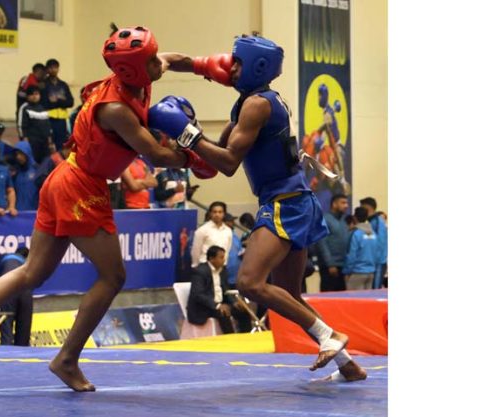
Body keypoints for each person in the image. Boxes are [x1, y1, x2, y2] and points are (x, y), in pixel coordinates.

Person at [0, 26, 217, 392]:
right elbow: (156, 154)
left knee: (33, 273)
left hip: (65, 177)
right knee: (113, 276)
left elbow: (174, 59)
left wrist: (215, 69)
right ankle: (67, 358)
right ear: (131, 70)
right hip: (81, 187)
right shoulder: (116, 108)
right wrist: (201, 150)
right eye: (149, 60)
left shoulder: (139, 71)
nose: (157, 62)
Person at [147, 34, 365, 380]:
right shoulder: (252, 101)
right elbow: (213, 157)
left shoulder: (257, 105)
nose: (229, 68)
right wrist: (166, 62)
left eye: (237, 63)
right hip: (296, 200)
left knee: (250, 283)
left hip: (283, 203)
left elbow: (230, 162)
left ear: (256, 67)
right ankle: (347, 365)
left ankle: (331, 337)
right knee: (290, 295)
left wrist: (186, 132)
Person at [187, 246, 252, 333]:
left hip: (220, 304)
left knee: (243, 311)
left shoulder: (223, 271)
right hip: (205, 307)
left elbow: (226, 290)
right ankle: (230, 339)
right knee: (224, 312)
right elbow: (198, 294)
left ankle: (246, 337)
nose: (224, 260)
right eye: (221, 257)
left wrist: (234, 302)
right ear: (211, 258)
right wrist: (217, 305)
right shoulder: (200, 272)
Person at [0, 247, 32, 346]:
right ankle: (24, 356)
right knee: (24, 331)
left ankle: (6, 355)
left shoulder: (3, 258)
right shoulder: (28, 264)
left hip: (8, 289)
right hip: (26, 291)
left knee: (6, 328)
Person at [314, 194, 350, 292]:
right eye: (343, 203)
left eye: (347, 203)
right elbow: (322, 243)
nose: (346, 206)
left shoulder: (343, 220)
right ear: (334, 204)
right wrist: (330, 264)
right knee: (328, 295)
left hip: (342, 266)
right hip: (329, 267)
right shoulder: (325, 219)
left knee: (341, 298)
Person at [343, 207, 380, 290]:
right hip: (371, 272)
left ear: (354, 218)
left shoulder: (356, 234)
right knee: (366, 301)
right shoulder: (373, 233)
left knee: (354, 300)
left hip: (357, 272)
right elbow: (377, 253)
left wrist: (347, 271)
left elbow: (351, 254)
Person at [42, 58, 74, 150]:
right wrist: (62, 101)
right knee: (49, 145)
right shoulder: (43, 85)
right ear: (47, 69)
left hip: (62, 119)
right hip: (49, 118)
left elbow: (70, 102)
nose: (53, 70)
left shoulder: (63, 85)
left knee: (62, 144)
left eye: (55, 67)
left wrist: (56, 101)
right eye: (51, 68)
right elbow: (45, 104)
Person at [18, 85, 54, 164]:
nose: (35, 96)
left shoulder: (42, 108)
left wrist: (50, 141)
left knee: (45, 164)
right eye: (32, 94)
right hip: (32, 142)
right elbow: (21, 126)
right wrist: (24, 140)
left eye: (37, 94)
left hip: (44, 143)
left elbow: (47, 125)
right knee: (33, 163)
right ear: (28, 96)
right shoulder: (24, 108)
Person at [190, 202, 233, 268]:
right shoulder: (202, 230)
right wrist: (196, 267)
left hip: (222, 267)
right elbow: (196, 251)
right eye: (214, 212)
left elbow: (227, 250)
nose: (217, 214)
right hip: (205, 266)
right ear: (210, 213)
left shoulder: (228, 231)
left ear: (224, 214)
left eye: (220, 212)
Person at [359, 197, 387, 289]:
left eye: (362, 208)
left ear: (368, 208)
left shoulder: (378, 222)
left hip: (378, 262)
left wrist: (374, 259)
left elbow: (380, 243)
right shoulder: (370, 222)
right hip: (370, 263)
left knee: (375, 289)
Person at [11, 141, 41, 211]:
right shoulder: (15, 172)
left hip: (34, 213)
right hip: (18, 214)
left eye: (21, 154)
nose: (18, 157)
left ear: (28, 153)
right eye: (16, 154)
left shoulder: (38, 170)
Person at [224, 213, 243, 289]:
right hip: (228, 273)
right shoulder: (223, 235)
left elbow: (239, 249)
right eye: (231, 221)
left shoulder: (234, 234)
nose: (233, 223)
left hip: (236, 273)